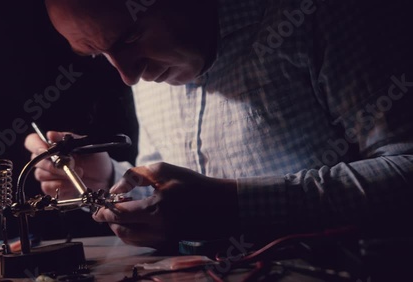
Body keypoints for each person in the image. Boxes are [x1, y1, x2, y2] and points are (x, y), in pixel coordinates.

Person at [25, 0, 413, 249]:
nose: (127, 75)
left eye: (132, 37)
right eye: (96, 54)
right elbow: (175, 195)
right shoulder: (149, 67)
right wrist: (107, 177)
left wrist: (237, 206)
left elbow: (405, 171)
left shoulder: (313, 17)